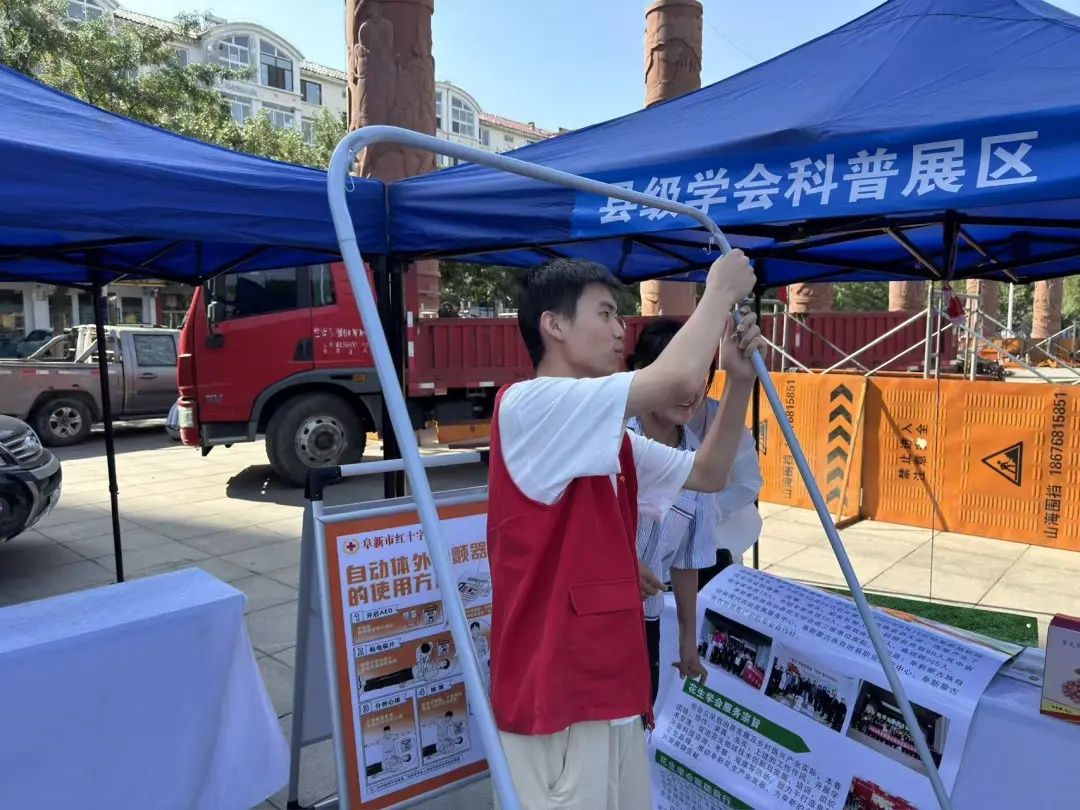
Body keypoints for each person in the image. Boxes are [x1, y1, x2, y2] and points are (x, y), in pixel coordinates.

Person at [487, 251, 762, 810]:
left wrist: (737, 381)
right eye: (606, 313)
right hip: (556, 701)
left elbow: (709, 474)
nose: (621, 330)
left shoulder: (614, 440)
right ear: (554, 324)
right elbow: (678, 378)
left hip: (613, 688)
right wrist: (717, 290)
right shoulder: (529, 404)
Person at [624, 319, 719, 705]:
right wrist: (621, 562)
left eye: (702, 378)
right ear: (643, 373)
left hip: (643, 620)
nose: (692, 391)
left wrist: (687, 640)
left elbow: (688, 559)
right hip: (593, 615)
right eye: (681, 376)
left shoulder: (697, 460)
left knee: (638, 716)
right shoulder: (612, 437)